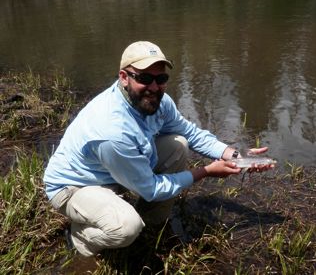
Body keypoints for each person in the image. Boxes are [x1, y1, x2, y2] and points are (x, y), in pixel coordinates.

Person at [43, 41, 274, 257]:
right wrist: (206, 171)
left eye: (161, 78)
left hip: (112, 169)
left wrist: (235, 155)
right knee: (126, 227)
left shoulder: (160, 102)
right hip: (75, 186)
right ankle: (80, 237)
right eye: (144, 78)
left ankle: (150, 222)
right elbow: (151, 189)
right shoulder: (112, 130)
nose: (154, 87)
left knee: (178, 145)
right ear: (124, 77)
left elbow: (190, 133)